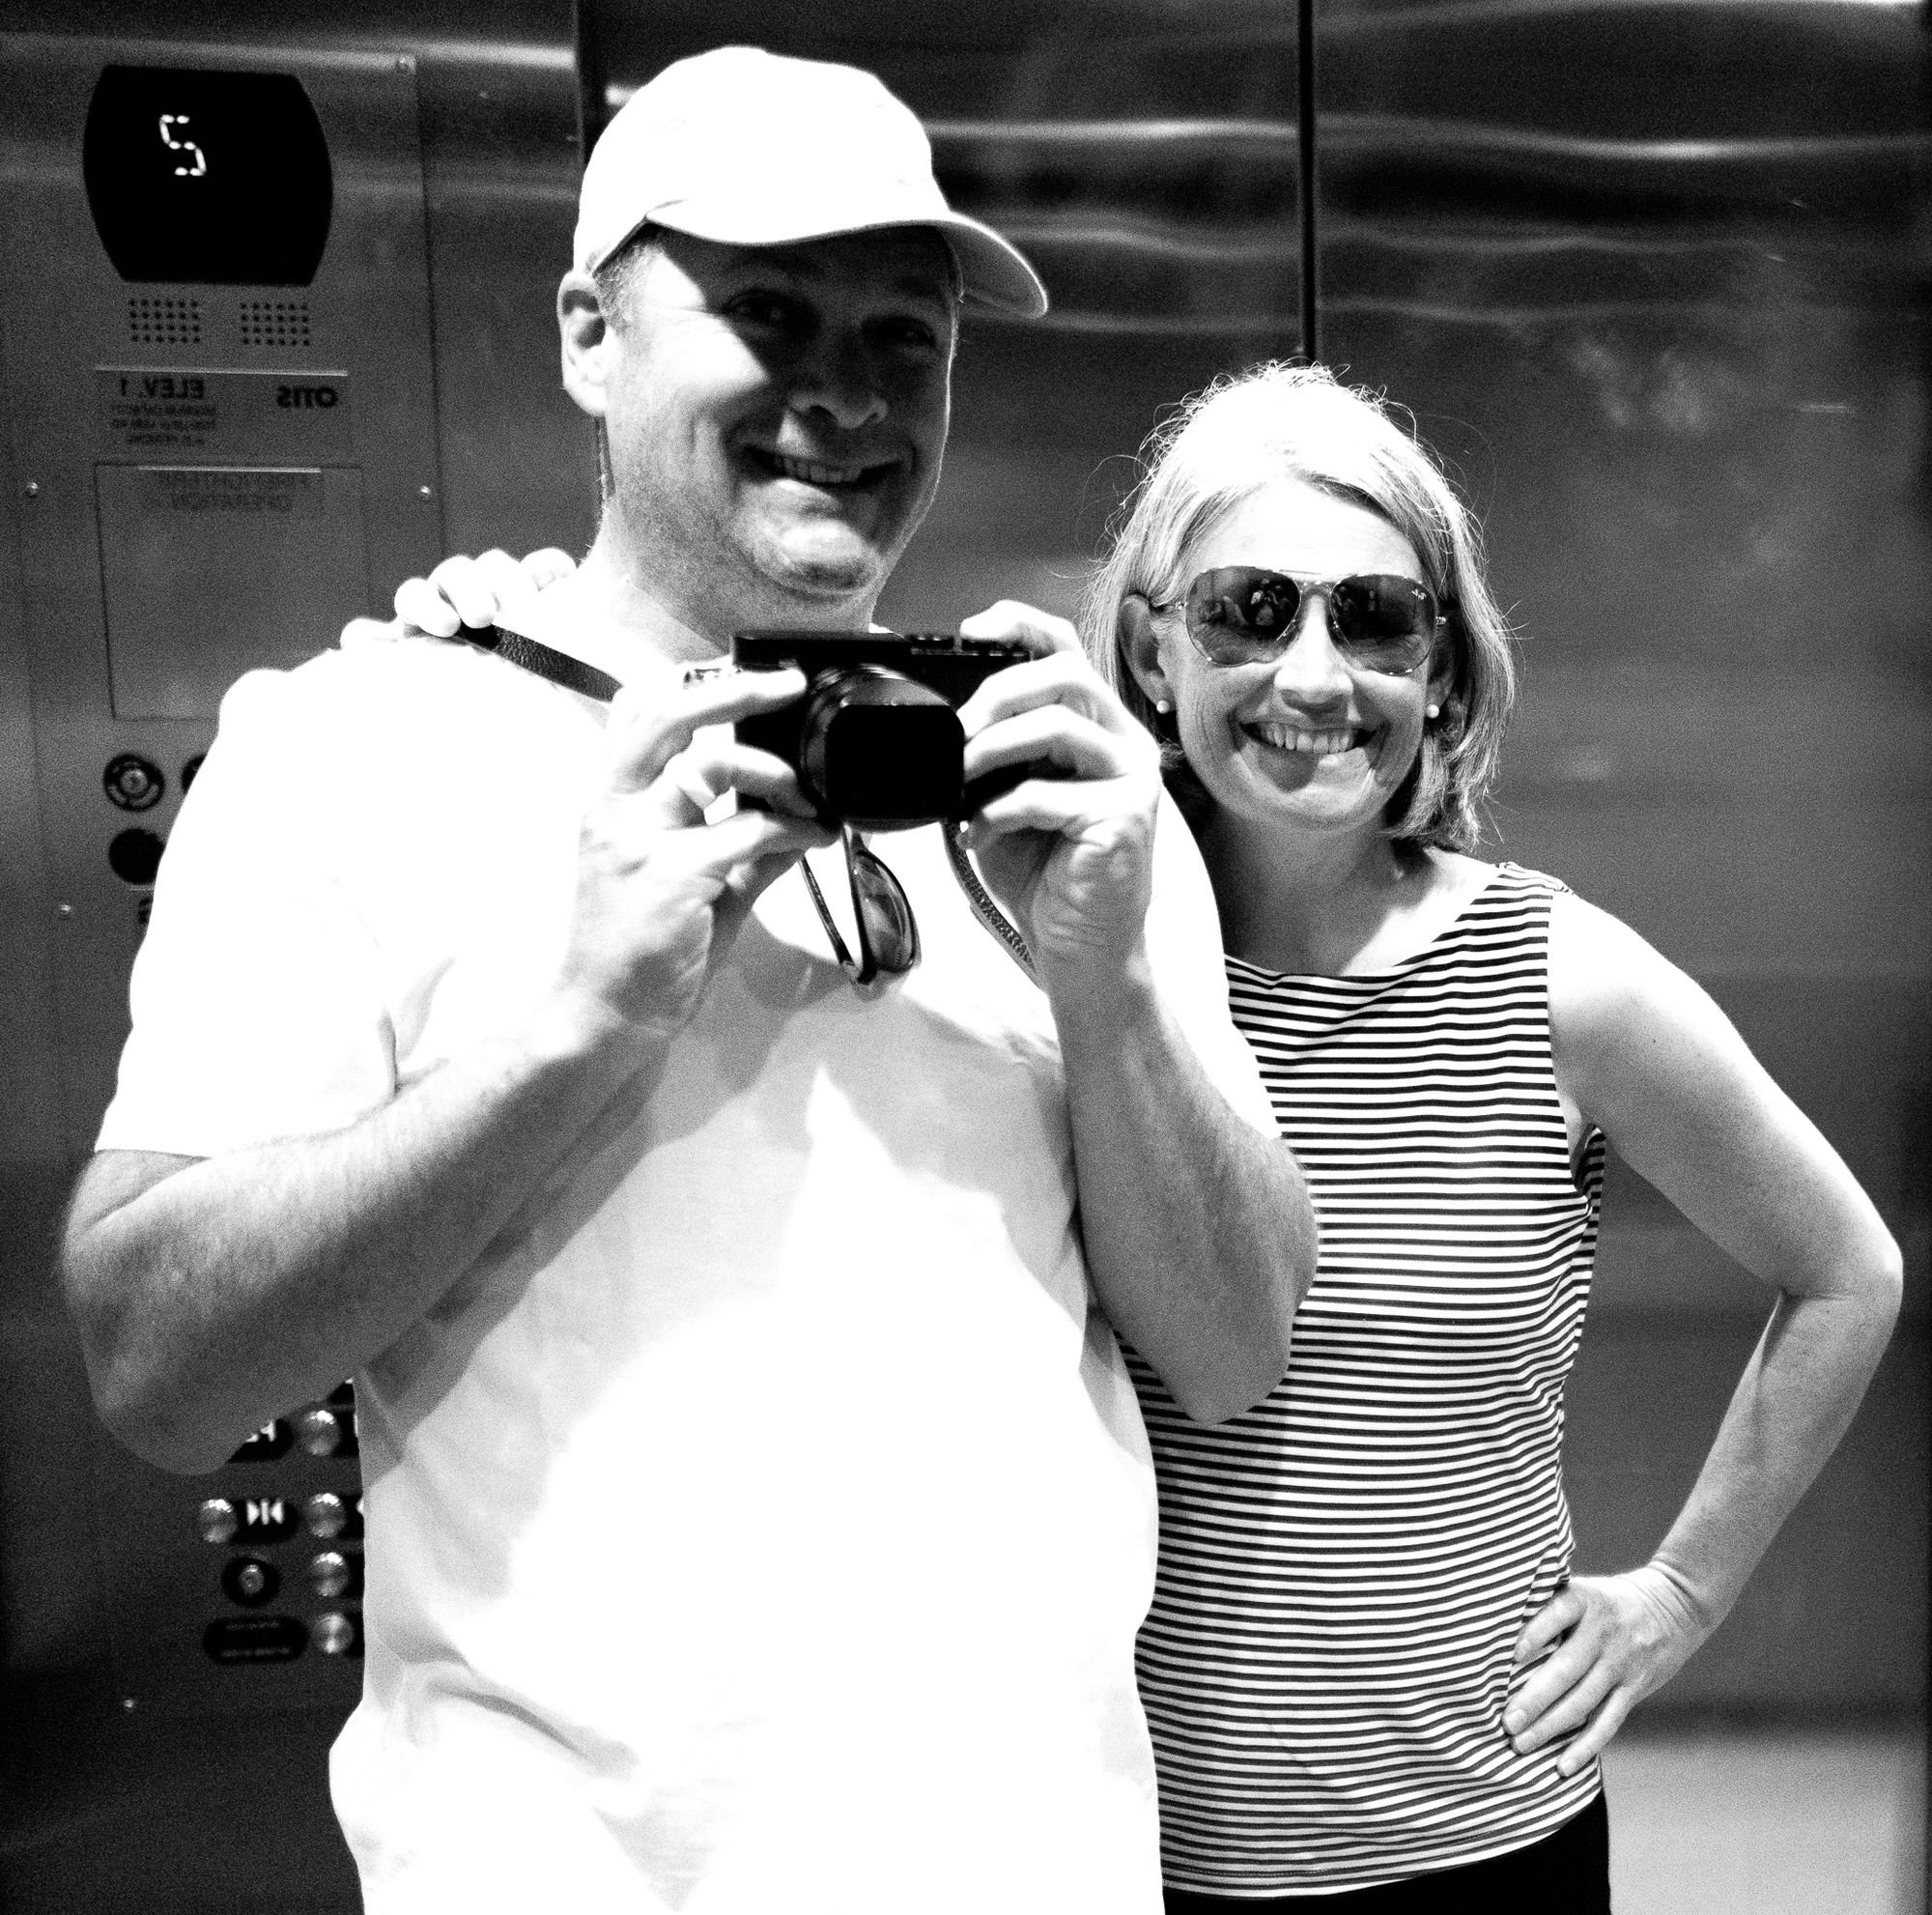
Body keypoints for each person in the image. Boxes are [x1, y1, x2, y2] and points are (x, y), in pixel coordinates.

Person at [57, 49, 1317, 1915]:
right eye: (771, 314)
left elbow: (1233, 1348)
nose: (849, 394)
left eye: (904, 335)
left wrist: (1108, 985)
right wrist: (574, 1032)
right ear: (591, 335)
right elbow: (156, 1364)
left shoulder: (1061, 786)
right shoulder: (352, 749)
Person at [1076, 361, 1902, 1908]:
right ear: (1151, 648)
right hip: (1124, 1851)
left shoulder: (1561, 982)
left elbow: (1848, 1271)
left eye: (1377, 620)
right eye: (1250, 609)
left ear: (1443, 673)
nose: (1314, 675)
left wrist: (1681, 1592)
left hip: (1485, 1845)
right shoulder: (1081, 968)